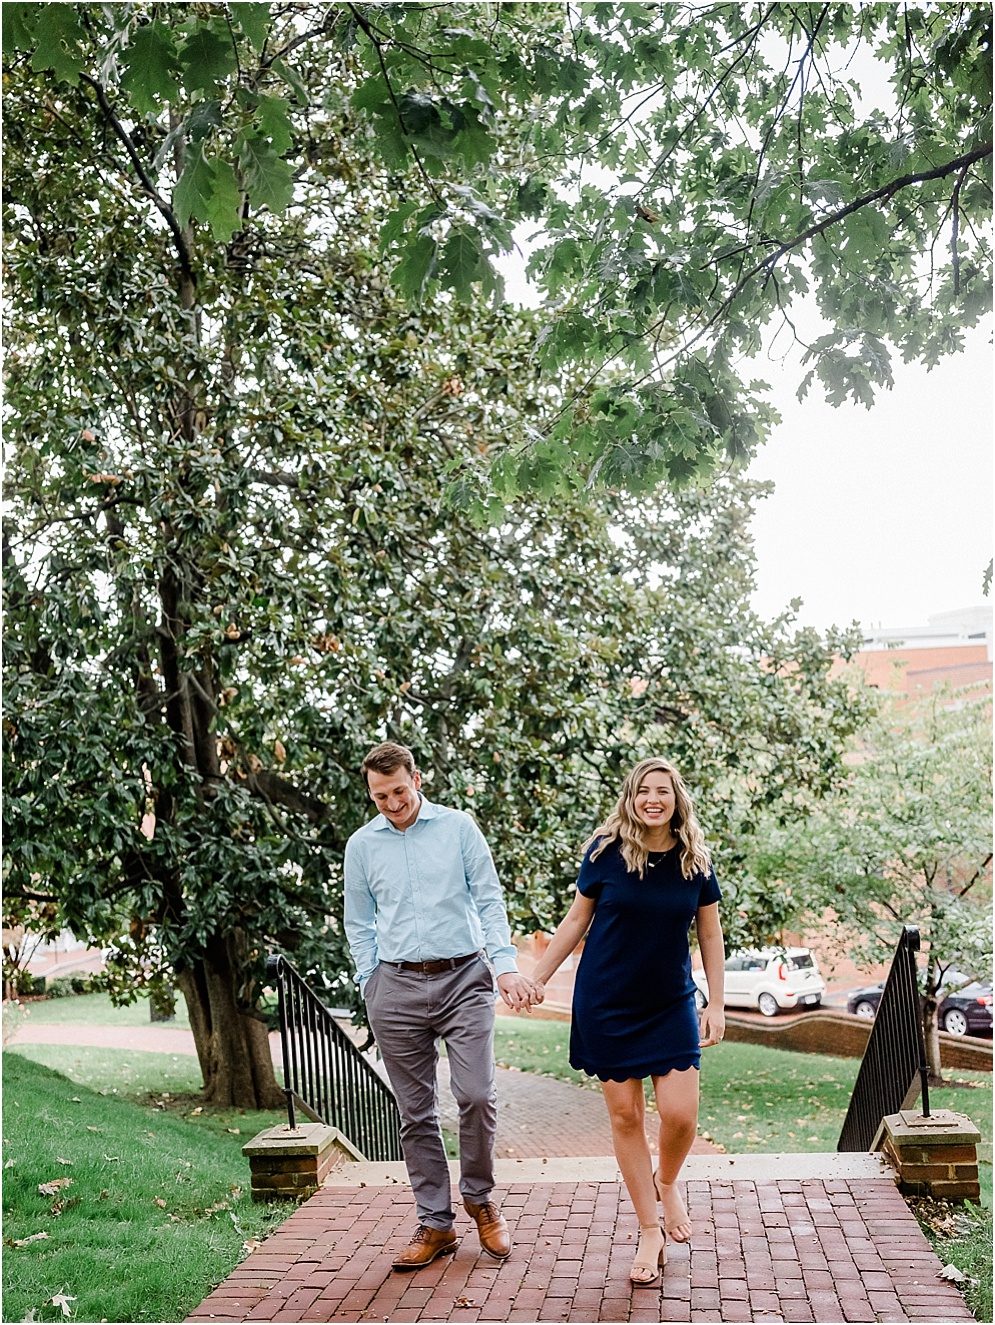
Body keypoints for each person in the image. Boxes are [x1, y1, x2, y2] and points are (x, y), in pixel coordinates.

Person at [528, 756, 726, 1286]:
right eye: (643, 791)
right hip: (608, 1001)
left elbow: (709, 935)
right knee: (626, 1119)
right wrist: (541, 976)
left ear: (676, 798)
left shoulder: (695, 861)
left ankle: (667, 1182)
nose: (652, 800)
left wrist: (717, 1003)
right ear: (631, 798)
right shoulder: (606, 853)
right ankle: (648, 1230)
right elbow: (576, 920)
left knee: (681, 1115)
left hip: (670, 1003)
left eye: (662, 791)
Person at [344, 741, 538, 1270]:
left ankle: (478, 1198)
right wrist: (370, 981)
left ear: (418, 780)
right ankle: (435, 1223)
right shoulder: (362, 845)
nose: (391, 803)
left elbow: (489, 900)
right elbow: (358, 921)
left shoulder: (458, 828)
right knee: (416, 1113)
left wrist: (503, 965)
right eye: (380, 795)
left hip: (464, 979)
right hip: (396, 987)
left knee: (476, 1095)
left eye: (399, 791)